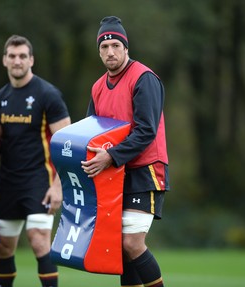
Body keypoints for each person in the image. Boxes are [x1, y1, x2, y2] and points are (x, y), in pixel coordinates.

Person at [81, 16, 169, 287]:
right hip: (114, 174)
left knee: (131, 242)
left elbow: (145, 131)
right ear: (99, 51)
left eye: (116, 45)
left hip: (145, 170)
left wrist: (110, 157)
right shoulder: (97, 87)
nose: (110, 52)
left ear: (126, 48)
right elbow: (90, 133)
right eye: (104, 47)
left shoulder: (143, 78)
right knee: (119, 248)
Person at [0, 35, 71, 287]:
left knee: (38, 239)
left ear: (31, 60)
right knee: (3, 247)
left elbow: (68, 144)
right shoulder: (0, 98)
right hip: (8, 182)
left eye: (22, 56)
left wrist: (58, 186)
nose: (17, 61)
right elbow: (0, 143)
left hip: (39, 182)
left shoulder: (48, 95)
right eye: (12, 56)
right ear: (4, 60)